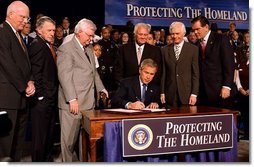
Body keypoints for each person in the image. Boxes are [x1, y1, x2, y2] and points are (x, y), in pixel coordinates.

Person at [57, 18, 108, 162]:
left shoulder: (89, 50)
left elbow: (94, 73)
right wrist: (72, 99)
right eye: (89, 35)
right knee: (68, 142)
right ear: (79, 32)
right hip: (73, 105)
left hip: (88, 104)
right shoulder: (66, 49)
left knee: (84, 141)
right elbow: (64, 76)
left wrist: (101, 88)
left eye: (93, 36)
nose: (91, 39)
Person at [0, 1, 35, 161]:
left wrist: (31, 81)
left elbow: (26, 64)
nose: (26, 21)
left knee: (18, 145)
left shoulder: (19, 35)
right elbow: (8, 64)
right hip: (7, 99)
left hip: (21, 98)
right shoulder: (2, 33)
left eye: (27, 18)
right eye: (23, 17)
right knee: (5, 145)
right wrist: (24, 85)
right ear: (11, 14)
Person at [28, 16, 58, 162]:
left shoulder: (46, 44)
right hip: (42, 101)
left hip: (49, 98)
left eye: (53, 30)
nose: (52, 33)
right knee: (40, 138)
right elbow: (35, 73)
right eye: (49, 30)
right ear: (39, 30)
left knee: (48, 135)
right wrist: (41, 96)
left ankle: (46, 161)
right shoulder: (37, 45)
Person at [191, 16, 235, 107]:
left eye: (197, 29)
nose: (195, 32)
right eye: (193, 30)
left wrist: (226, 86)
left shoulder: (221, 39)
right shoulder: (196, 44)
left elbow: (229, 64)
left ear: (206, 27)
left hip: (221, 91)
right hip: (203, 93)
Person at [160, 22, 199, 107]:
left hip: (187, 94)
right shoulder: (164, 50)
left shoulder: (193, 49)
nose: (174, 36)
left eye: (177, 33)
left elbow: (195, 74)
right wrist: (162, 92)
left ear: (184, 33)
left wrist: (194, 94)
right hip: (169, 93)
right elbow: (163, 72)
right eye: (172, 34)